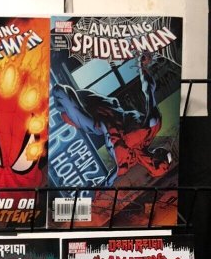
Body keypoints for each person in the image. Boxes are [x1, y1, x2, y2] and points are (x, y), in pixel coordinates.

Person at [52, 51, 172, 188]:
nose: (150, 162)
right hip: (101, 105)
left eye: (154, 165)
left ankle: (64, 100)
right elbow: (149, 90)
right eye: (155, 163)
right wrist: (142, 66)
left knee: (63, 109)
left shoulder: (124, 165)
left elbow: (107, 183)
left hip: (92, 118)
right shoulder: (151, 128)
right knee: (60, 95)